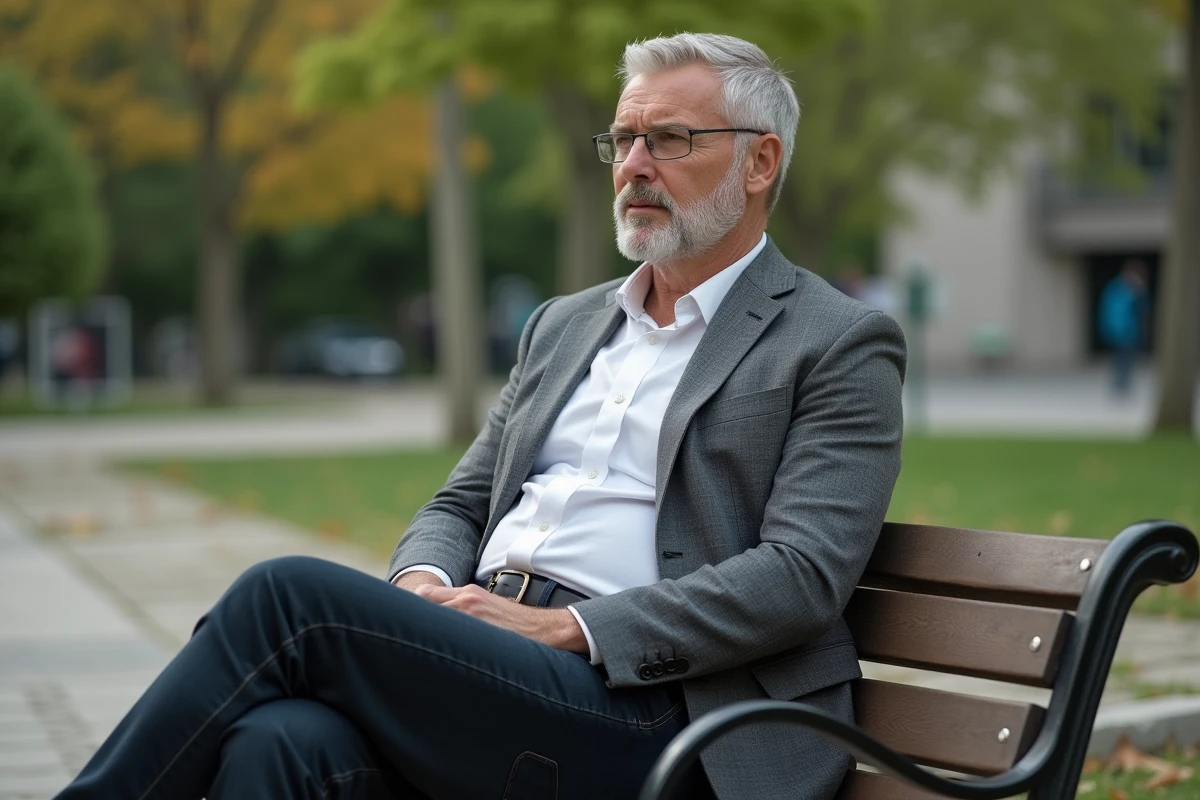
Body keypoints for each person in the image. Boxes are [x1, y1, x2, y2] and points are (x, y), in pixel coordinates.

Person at [55, 33, 906, 800]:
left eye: (670, 139)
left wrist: (564, 628)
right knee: (279, 741)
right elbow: (461, 504)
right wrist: (422, 590)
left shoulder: (834, 340)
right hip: (492, 657)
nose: (634, 165)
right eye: (622, 139)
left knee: (288, 598)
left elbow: (800, 576)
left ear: (760, 163)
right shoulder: (566, 324)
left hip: (661, 709)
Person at [1098, 260, 1150, 395]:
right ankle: (1121, 384)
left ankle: (1123, 383)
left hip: (1128, 330)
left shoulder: (1125, 289)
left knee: (1125, 357)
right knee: (1122, 357)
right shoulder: (1121, 289)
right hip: (1123, 330)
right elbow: (1116, 311)